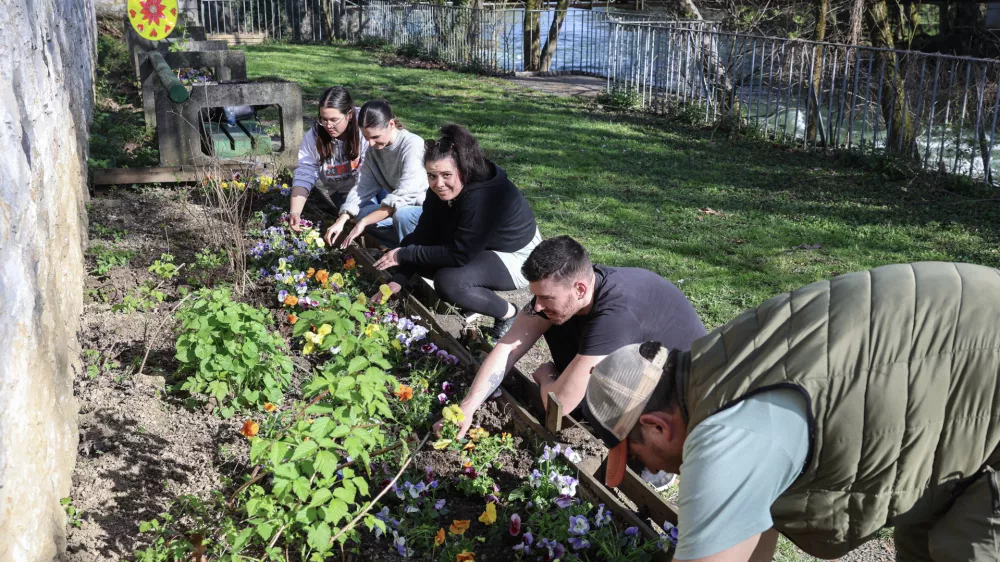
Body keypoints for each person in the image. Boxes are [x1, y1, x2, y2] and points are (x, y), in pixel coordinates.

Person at [583, 261, 1000, 562]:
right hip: (964, 365)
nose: (653, 471)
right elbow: (751, 530)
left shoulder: (726, 437)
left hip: (981, 366)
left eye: (636, 457)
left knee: (967, 548)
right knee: (922, 545)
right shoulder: (720, 362)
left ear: (657, 426)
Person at [439, 234, 707, 440]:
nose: (538, 306)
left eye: (545, 297)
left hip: (681, 400)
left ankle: (654, 458)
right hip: (642, 363)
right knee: (557, 317)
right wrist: (469, 405)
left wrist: (547, 377)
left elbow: (560, 405)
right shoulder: (574, 292)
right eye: (537, 296)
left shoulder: (615, 317)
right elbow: (509, 346)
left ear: (579, 288)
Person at [370, 124, 542, 340]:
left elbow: (460, 254)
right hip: (481, 245)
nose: (438, 183)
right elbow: (425, 233)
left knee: (449, 282)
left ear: (464, 168)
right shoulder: (441, 188)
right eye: (431, 176)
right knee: (428, 259)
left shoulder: (483, 197)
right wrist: (398, 279)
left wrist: (402, 254)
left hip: (518, 255)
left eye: (446, 175)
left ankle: (509, 313)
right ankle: (474, 297)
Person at [323, 100, 428, 249]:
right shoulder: (374, 151)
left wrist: (365, 222)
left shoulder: (412, 145)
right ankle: (398, 245)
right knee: (361, 214)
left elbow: (406, 195)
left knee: (400, 216)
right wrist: (343, 218)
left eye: (376, 137)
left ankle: (414, 253)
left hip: (423, 209)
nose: (370, 144)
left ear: (391, 124)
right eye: (366, 138)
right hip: (399, 208)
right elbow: (362, 187)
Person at [288, 87, 385, 231]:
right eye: (324, 119)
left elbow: (367, 175)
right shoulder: (315, 136)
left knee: (390, 212)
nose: (328, 126)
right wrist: (295, 212)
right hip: (344, 191)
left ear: (349, 114)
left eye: (334, 120)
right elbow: (305, 172)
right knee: (368, 221)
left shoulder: (363, 127)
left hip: (376, 182)